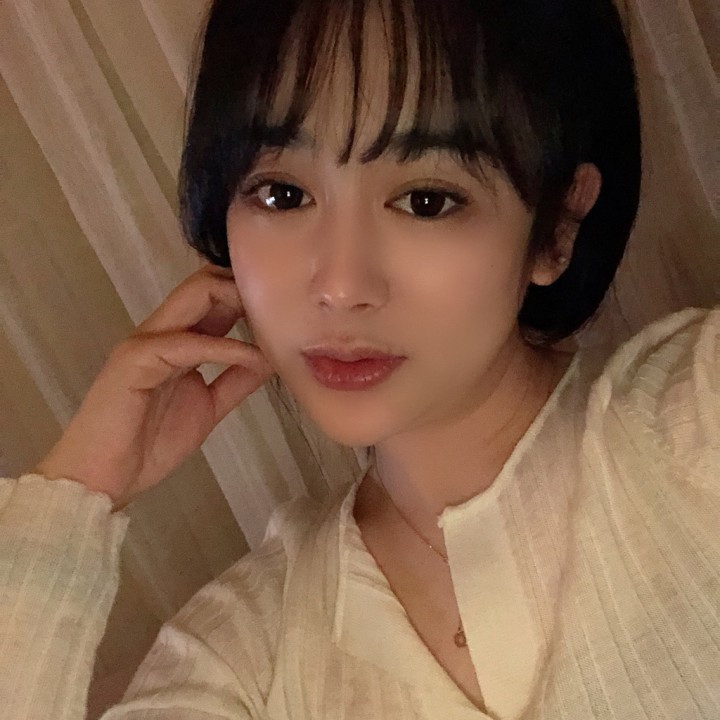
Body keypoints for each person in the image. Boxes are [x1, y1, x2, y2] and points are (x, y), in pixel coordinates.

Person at [1, 0, 718, 718]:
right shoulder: (244, 653)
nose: (341, 287)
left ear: (558, 224)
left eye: (427, 201)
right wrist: (75, 490)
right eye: (283, 194)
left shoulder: (696, 419)